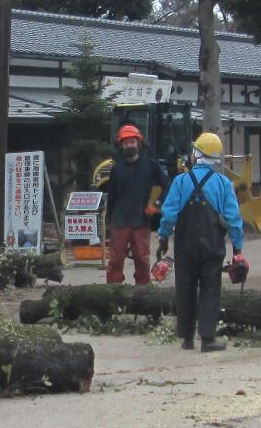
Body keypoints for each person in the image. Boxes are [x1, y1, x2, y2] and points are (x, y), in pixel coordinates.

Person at [156, 131, 245, 352]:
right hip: (212, 245)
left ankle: (186, 339)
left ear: (196, 154)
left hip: (184, 245)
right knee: (210, 289)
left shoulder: (180, 181)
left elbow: (168, 215)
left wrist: (163, 238)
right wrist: (237, 248)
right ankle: (207, 339)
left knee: (184, 288)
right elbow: (234, 219)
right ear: (216, 158)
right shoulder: (224, 183)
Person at [100, 124, 169, 284]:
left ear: (139, 143)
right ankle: (113, 296)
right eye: (126, 142)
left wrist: (156, 204)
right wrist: (109, 222)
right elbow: (112, 198)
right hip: (119, 222)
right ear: (121, 145)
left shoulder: (151, 166)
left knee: (142, 262)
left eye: (132, 141)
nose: (129, 145)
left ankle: (142, 296)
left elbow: (168, 186)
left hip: (141, 221)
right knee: (115, 262)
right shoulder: (116, 169)